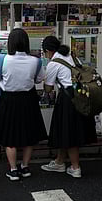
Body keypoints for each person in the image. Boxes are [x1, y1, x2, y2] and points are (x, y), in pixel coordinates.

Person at [0, 28, 47, 181]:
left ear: (10, 43)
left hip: (9, 100)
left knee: (10, 135)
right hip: (29, 100)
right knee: (29, 134)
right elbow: (39, 78)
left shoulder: (2, 59)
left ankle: (13, 169)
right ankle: (25, 166)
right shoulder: (36, 60)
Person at [40, 36, 97, 178]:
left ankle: (75, 167)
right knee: (65, 131)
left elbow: (48, 88)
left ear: (48, 51)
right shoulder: (71, 55)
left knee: (70, 132)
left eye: (44, 53)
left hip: (68, 99)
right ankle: (59, 162)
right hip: (81, 95)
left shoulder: (54, 63)